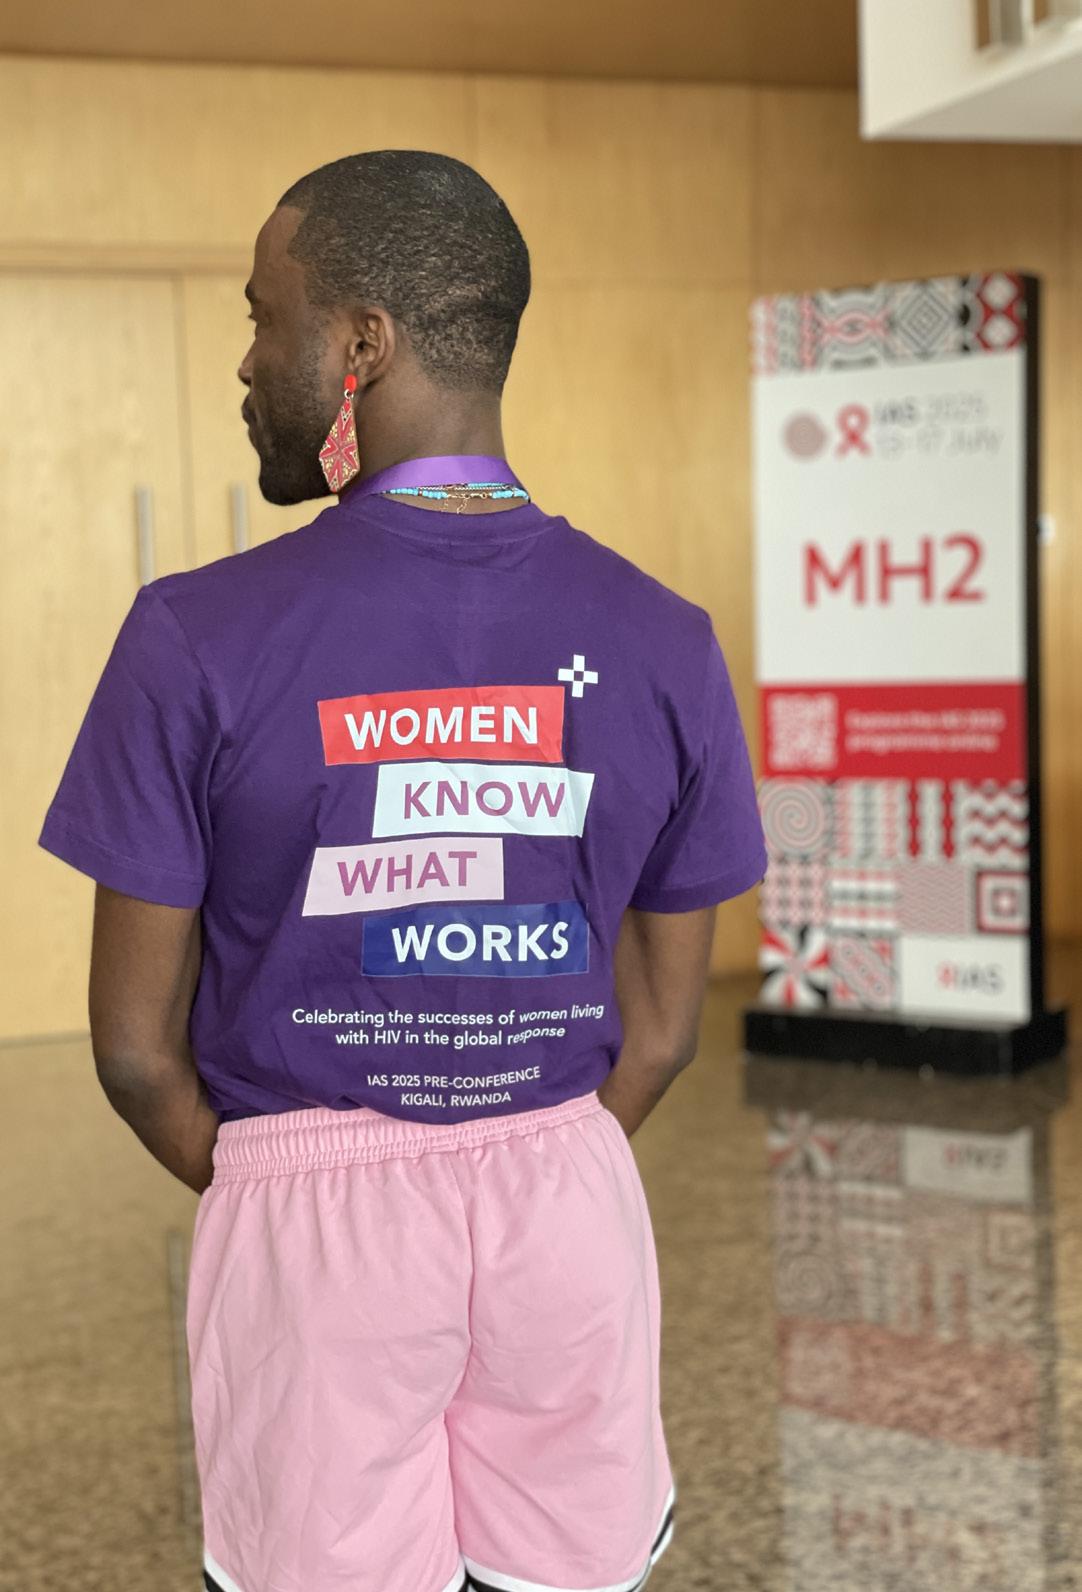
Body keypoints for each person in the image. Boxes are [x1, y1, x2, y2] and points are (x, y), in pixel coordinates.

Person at [38, 150, 768, 1592]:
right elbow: (664, 1031)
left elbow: (132, 1052)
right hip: (571, 1202)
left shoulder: (194, 632)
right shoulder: (665, 637)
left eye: (266, 317)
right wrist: (519, 1154)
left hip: (310, 1220)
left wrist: (293, 1191)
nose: (248, 362)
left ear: (362, 342)